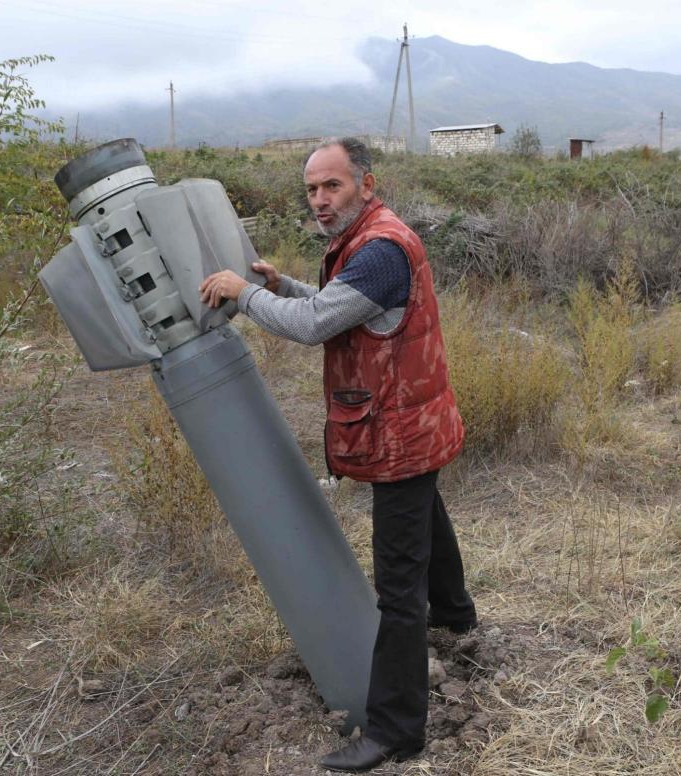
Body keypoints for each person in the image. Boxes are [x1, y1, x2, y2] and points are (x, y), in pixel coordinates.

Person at [199, 137, 477, 773]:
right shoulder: (373, 240)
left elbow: (314, 325)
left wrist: (244, 293)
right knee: (424, 511)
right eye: (312, 190)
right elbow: (349, 309)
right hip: (418, 419)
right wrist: (285, 284)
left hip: (400, 432)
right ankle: (458, 617)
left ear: (366, 184)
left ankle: (396, 731)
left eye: (332, 187)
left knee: (398, 590)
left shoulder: (380, 250)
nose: (320, 201)